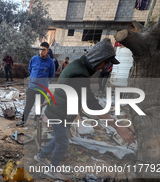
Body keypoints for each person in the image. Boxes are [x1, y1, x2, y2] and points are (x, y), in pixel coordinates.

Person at [34, 38, 135, 168]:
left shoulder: (78, 65)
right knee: (63, 143)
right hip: (59, 114)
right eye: (105, 63)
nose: (105, 67)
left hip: (61, 112)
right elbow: (91, 104)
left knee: (60, 138)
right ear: (98, 58)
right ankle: (52, 168)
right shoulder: (80, 74)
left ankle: (40, 156)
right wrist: (117, 126)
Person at [16, 42, 55, 127]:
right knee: (28, 105)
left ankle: (35, 122)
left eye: (43, 50)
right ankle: (23, 121)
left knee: (39, 106)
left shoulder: (50, 62)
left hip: (42, 89)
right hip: (31, 88)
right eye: (40, 49)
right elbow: (30, 70)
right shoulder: (34, 59)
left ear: (47, 50)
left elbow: (51, 76)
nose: (41, 51)